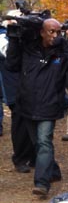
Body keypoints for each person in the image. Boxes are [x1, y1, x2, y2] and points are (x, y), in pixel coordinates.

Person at [6, 18, 68, 197]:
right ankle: (54, 171)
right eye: (51, 31)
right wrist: (13, 39)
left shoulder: (62, 52)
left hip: (49, 105)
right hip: (27, 104)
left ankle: (41, 183)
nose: (55, 36)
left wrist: (65, 45)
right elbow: (11, 65)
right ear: (42, 32)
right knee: (39, 144)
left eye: (58, 32)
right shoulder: (28, 49)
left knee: (43, 142)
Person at [0, 15, 36, 173]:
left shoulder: (31, 40)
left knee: (35, 122)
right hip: (14, 88)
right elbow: (9, 55)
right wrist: (13, 34)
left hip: (32, 87)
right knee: (20, 125)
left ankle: (35, 156)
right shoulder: (4, 37)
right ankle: (20, 158)